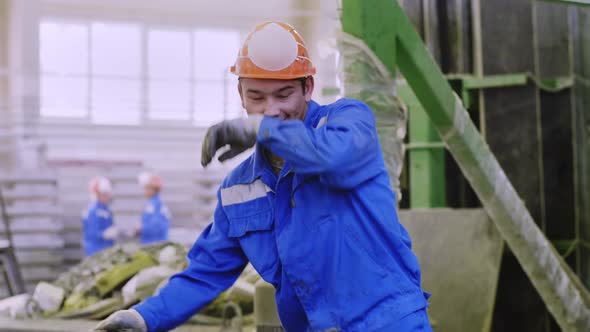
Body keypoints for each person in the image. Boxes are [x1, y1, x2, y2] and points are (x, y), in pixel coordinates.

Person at [95, 21, 431, 332]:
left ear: (308, 87)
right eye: (256, 97)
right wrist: (144, 317)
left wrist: (261, 129)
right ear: (240, 95)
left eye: (284, 94)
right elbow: (206, 272)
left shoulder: (347, 122)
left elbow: (329, 157)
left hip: (387, 322)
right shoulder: (239, 188)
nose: (271, 109)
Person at [83, 176, 116, 256]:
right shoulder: (93, 211)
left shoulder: (105, 209)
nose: (108, 196)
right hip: (96, 251)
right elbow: (92, 233)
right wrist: (104, 234)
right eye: (105, 194)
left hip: (106, 249)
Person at [136, 171, 170, 244]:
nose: (145, 191)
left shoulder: (154, 205)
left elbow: (155, 227)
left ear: (152, 189)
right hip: (154, 243)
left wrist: (141, 230)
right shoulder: (154, 203)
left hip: (153, 244)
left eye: (146, 188)